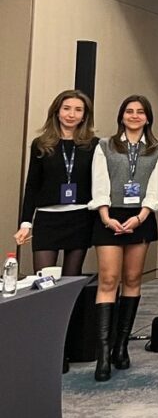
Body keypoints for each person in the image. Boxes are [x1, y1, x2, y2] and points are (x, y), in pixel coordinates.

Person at [89, 95, 158, 382]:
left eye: (140, 112)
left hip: (140, 218)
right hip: (108, 216)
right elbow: (99, 183)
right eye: (129, 111)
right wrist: (105, 216)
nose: (134, 116)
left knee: (133, 279)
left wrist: (141, 216)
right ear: (121, 116)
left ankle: (121, 347)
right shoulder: (105, 145)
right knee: (109, 279)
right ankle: (103, 353)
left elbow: (156, 187)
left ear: (148, 118)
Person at [15, 90, 98, 279]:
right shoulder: (41, 144)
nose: (71, 114)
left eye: (78, 110)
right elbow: (32, 185)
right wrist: (26, 223)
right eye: (66, 108)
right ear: (57, 111)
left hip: (80, 218)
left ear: (85, 115)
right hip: (47, 218)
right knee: (44, 279)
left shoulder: (93, 145)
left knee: (71, 279)